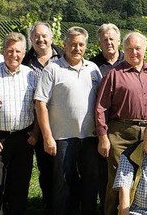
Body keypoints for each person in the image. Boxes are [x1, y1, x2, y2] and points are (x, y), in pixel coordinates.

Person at [34, 26, 102, 215]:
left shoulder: (93, 69)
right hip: (62, 138)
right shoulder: (52, 69)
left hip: (89, 136)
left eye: (81, 45)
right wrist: (47, 137)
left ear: (86, 46)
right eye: (72, 44)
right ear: (64, 45)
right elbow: (40, 103)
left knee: (90, 180)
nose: (77, 48)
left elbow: (101, 102)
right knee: (62, 182)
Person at [95, 32, 147, 215]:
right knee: (118, 180)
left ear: (144, 50)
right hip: (120, 133)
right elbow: (101, 107)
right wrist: (103, 136)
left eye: (138, 48)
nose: (134, 52)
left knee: (144, 178)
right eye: (129, 49)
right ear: (123, 50)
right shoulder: (114, 74)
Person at [0, 32, 39, 214]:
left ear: (24, 52)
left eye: (18, 51)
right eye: (10, 50)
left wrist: (35, 133)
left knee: (19, 184)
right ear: (3, 51)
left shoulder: (31, 75)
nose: (14, 55)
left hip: (23, 139)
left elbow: (38, 107)